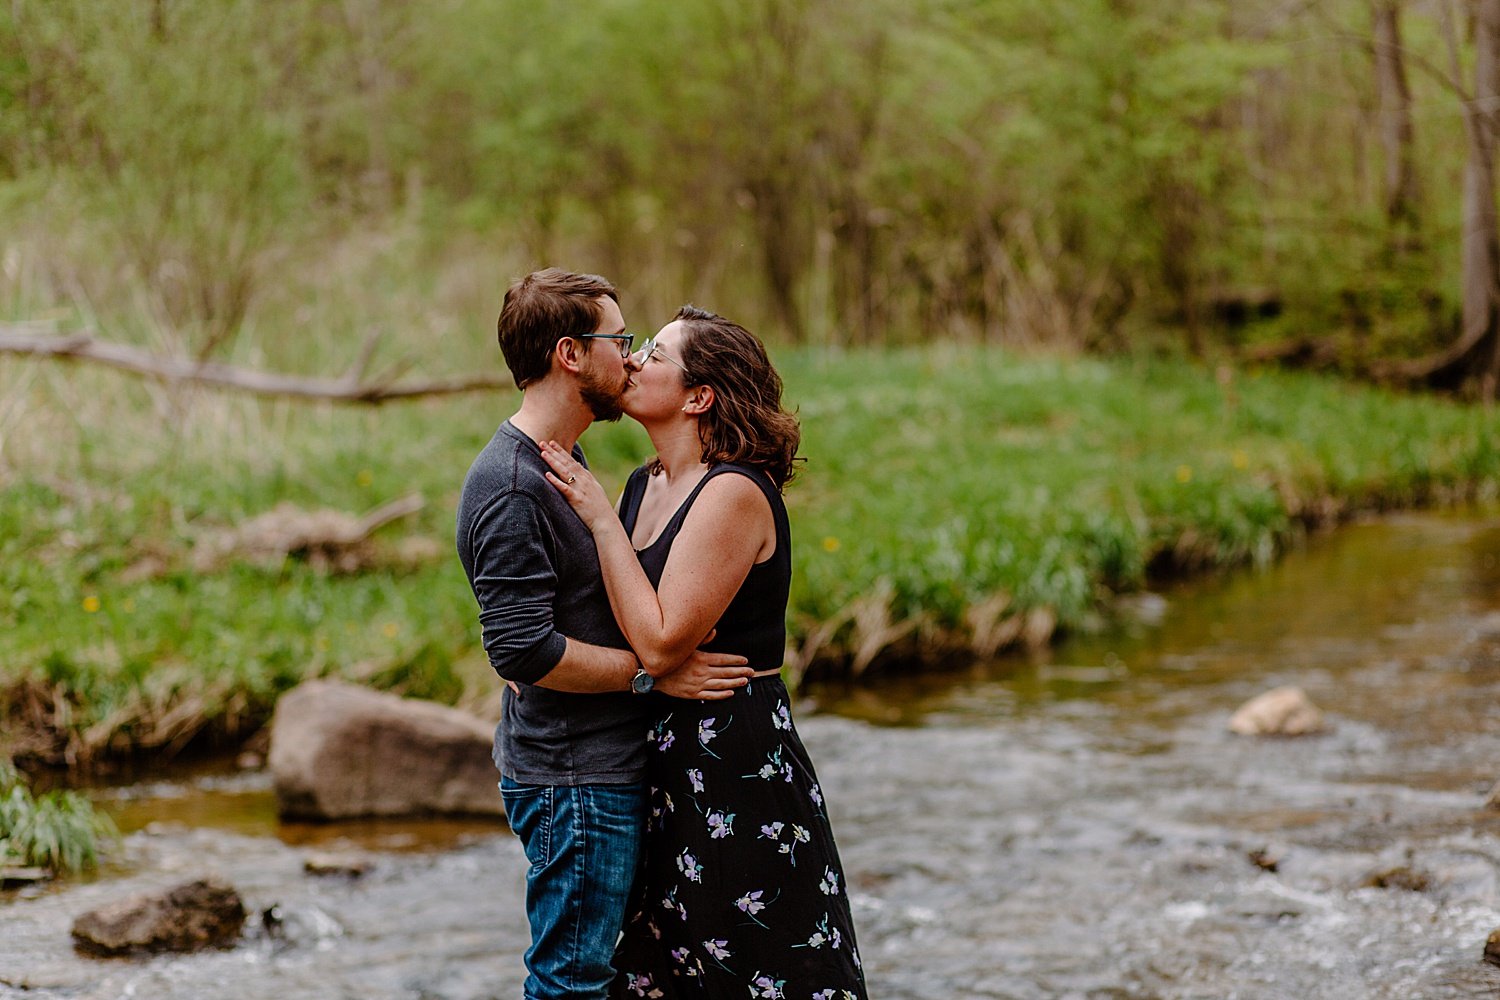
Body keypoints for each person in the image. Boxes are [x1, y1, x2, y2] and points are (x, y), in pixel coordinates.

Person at [539, 306, 868, 1000]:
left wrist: (599, 521)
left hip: (732, 765)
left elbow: (658, 640)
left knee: (753, 964)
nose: (630, 362)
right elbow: (628, 633)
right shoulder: (640, 485)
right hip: (651, 759)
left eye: (653, 354)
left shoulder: (735, 492)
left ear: (698, 396)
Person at [455, 271, 755, 1000]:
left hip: (596, 766)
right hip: (571, 776)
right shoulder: (513, 485)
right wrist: (650, 674)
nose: (629, 356)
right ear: (570, 354)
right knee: (571, 981)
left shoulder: (563, 462)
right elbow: (523, 653)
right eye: (618, 341)